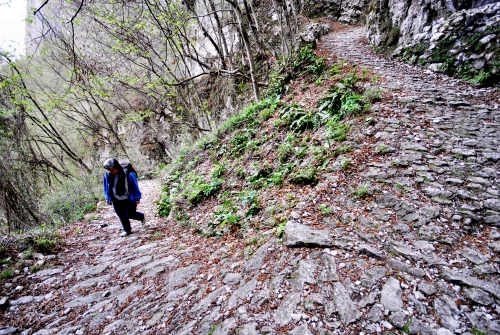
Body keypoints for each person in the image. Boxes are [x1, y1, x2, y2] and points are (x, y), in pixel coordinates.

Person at [103, 158, 144, 236]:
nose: (110, 171)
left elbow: (135, 187)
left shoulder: (128, 174)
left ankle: (141, 217)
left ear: (116, 167)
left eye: (111, 169)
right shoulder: (108, 175)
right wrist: (108, 198)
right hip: (116, 199)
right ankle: (127, 230)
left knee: (130, 214)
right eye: (108, 170)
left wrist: (137, 198)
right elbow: (106, 187)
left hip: (128, 198)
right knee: (121, 215)